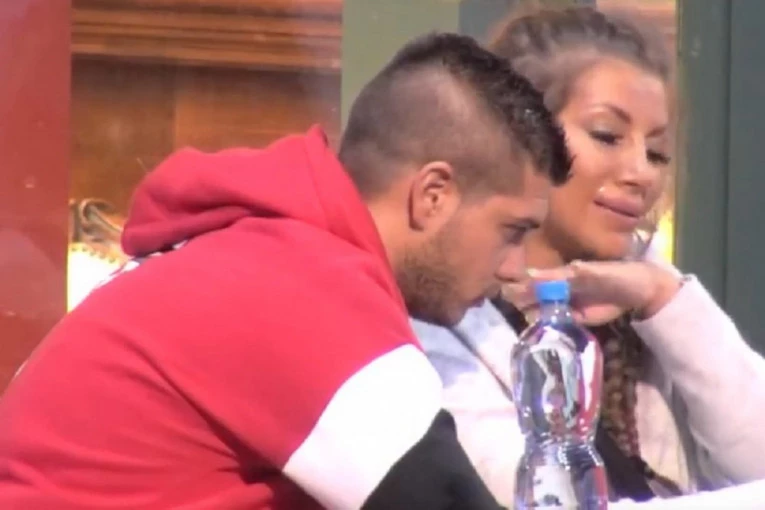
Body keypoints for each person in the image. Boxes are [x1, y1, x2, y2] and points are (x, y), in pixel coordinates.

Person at [0, 33, 570, 509]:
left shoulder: (255, 251)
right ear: (433, 195)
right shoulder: (308, 290)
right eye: (512, 231)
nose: (515, 267)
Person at [412, 5, 765, 508]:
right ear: (519, 133)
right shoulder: (440, 311)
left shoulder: (652, 299)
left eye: (657, 153)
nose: (641, 173)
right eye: (607, 136)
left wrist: (664, 299)